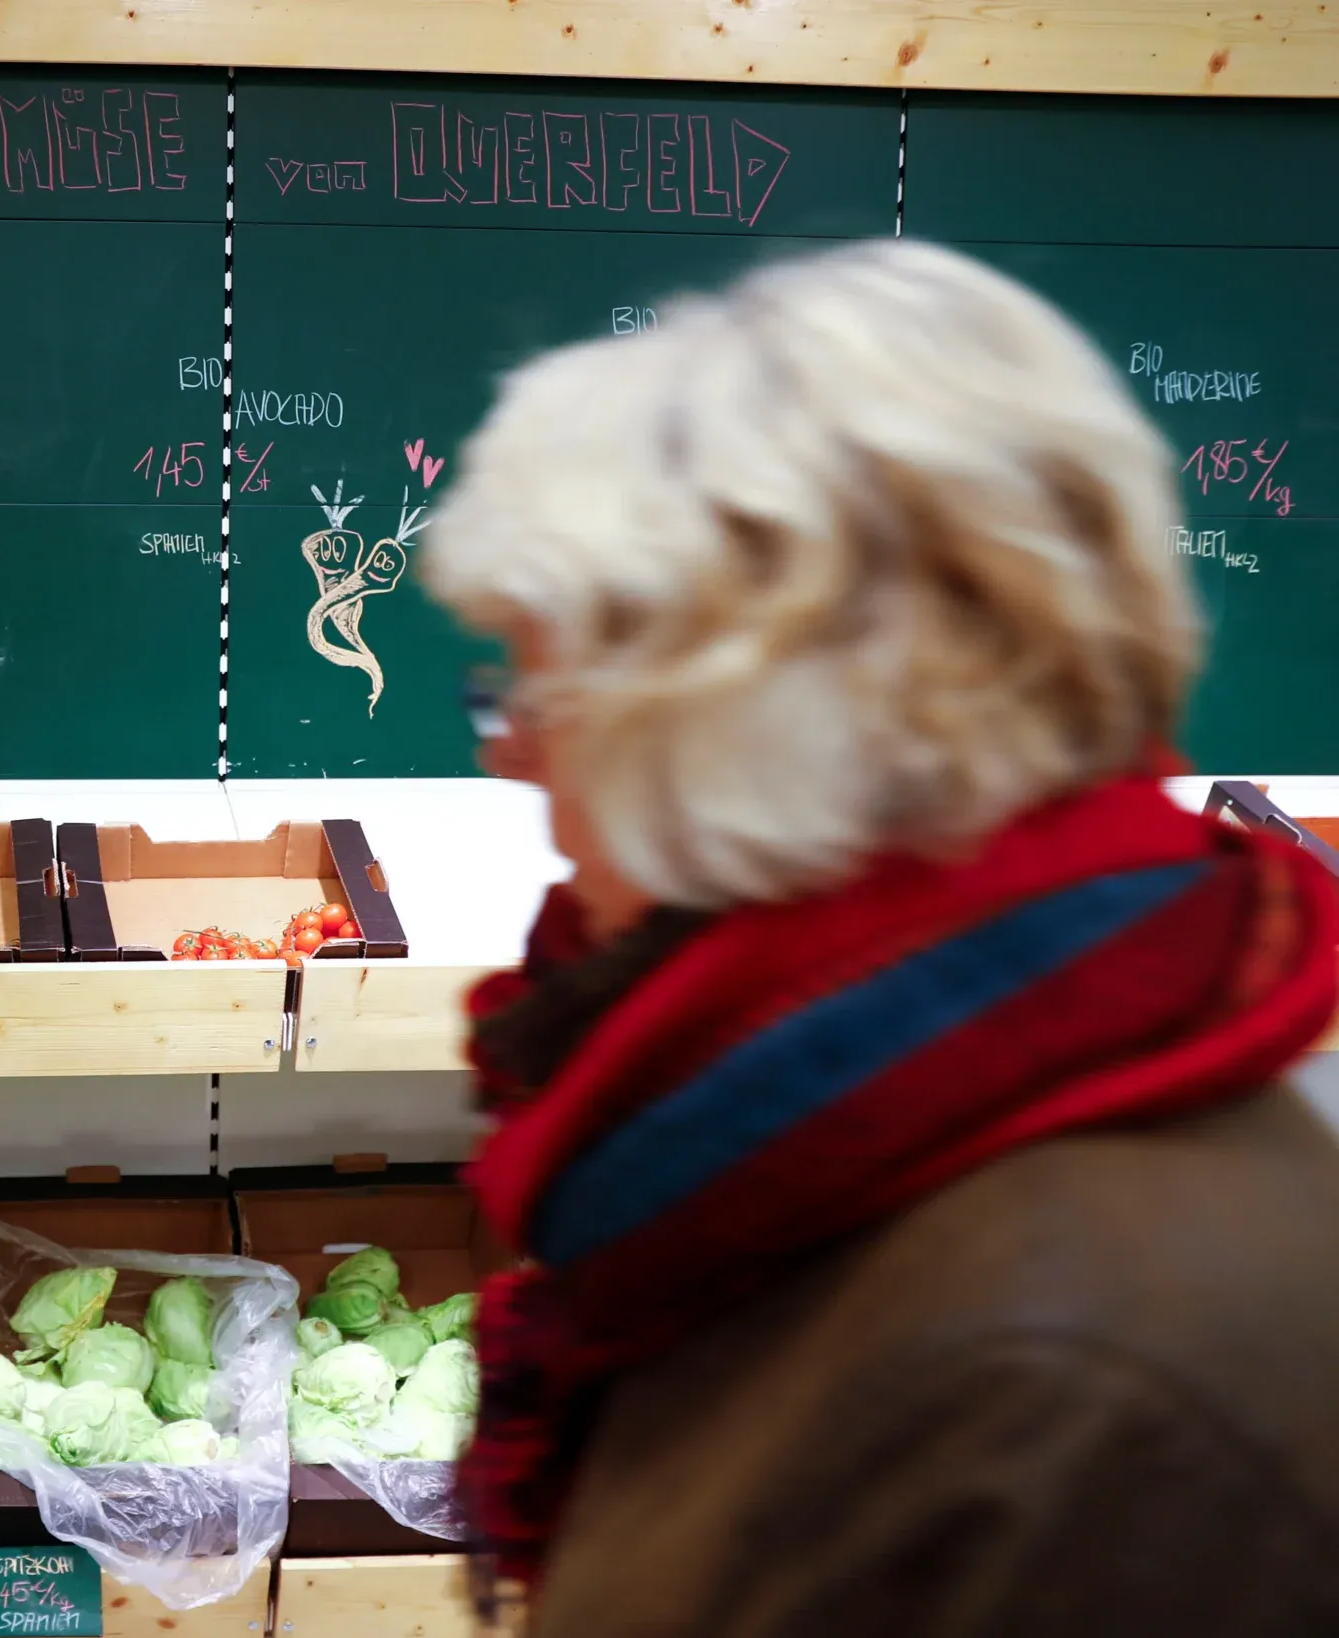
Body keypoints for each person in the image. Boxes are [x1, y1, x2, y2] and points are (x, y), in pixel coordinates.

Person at [421, 240, 1339, 1637]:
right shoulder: (792, 1134)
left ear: (743, 740)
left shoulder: (1068, 1385)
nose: (514, 761)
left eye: (542, 700)